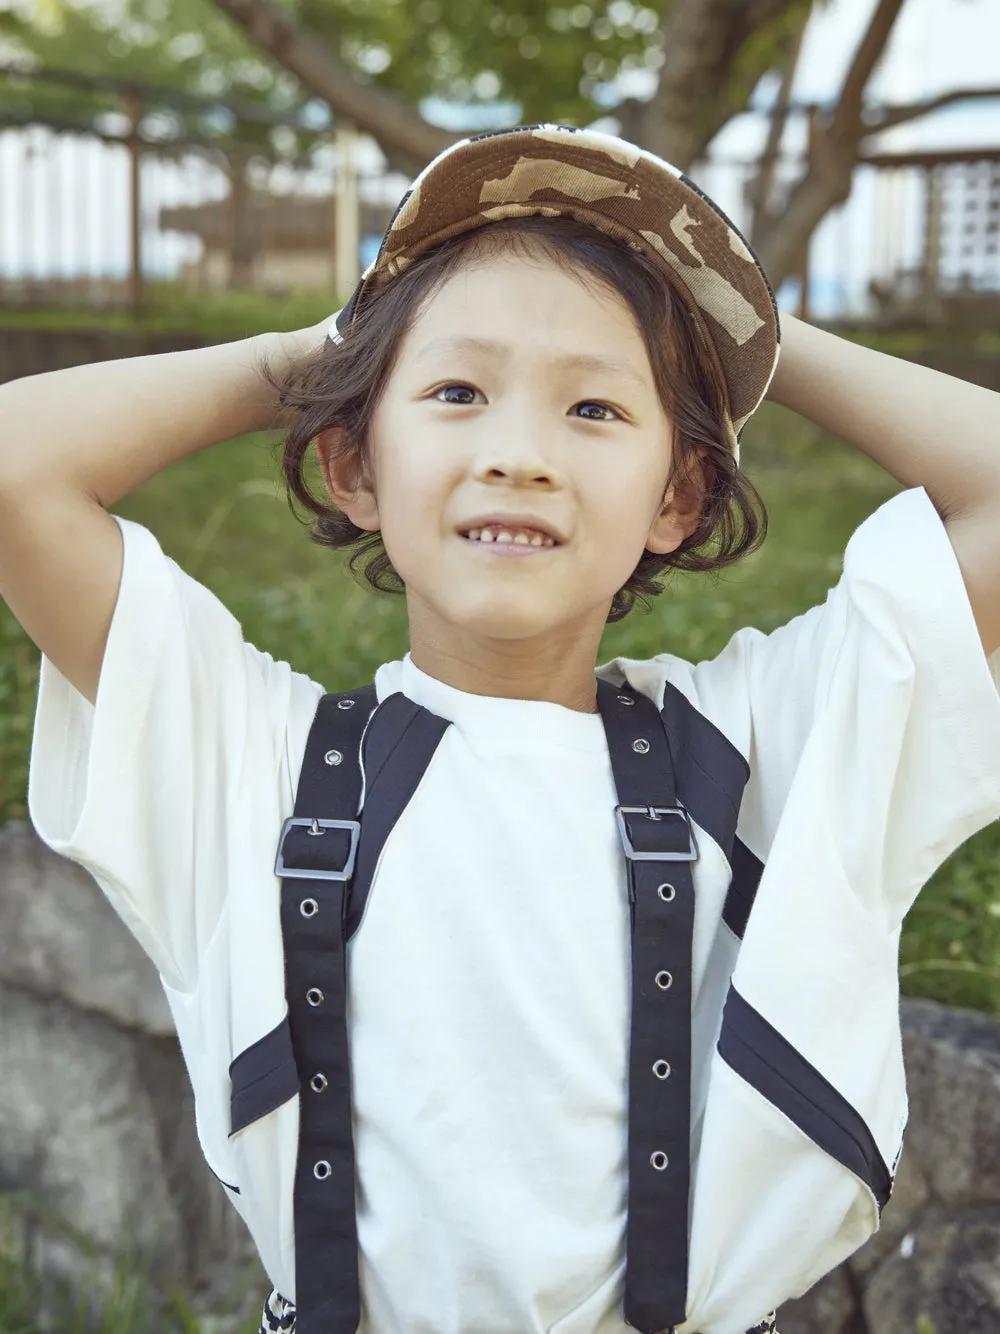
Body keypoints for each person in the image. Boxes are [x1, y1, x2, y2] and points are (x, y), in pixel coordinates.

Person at [2, 123, 1000, 1334]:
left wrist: (740, 337)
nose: (518, 455)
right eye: (457, 391)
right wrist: (325, 353)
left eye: (592, 404)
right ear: (354, 466)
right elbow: (19, 471)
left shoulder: (758, 750)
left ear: (676, 495)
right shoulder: (251, 762)